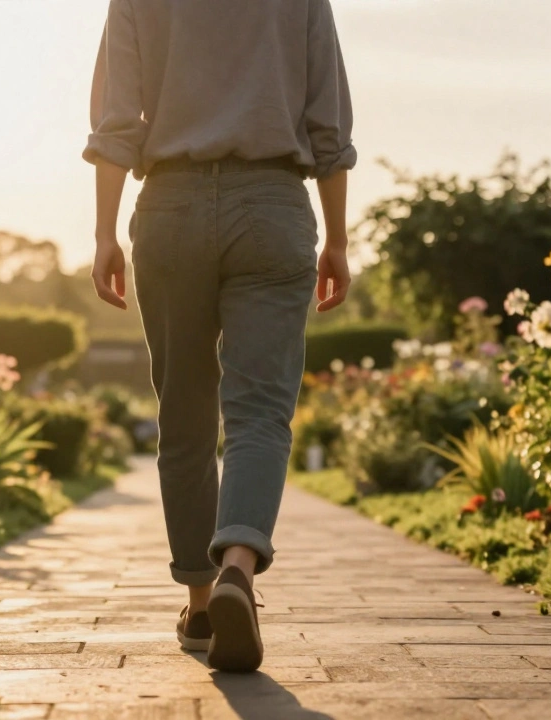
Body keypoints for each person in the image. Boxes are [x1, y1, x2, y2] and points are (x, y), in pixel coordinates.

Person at [83, 0, 356, 673]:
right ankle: (238, 564)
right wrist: (339, 239)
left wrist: (104, 234)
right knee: (260, 410)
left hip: (170, 208)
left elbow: (117, 122)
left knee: (184, 414)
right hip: (273, 205)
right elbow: (329, 124)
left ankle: (202, 606)